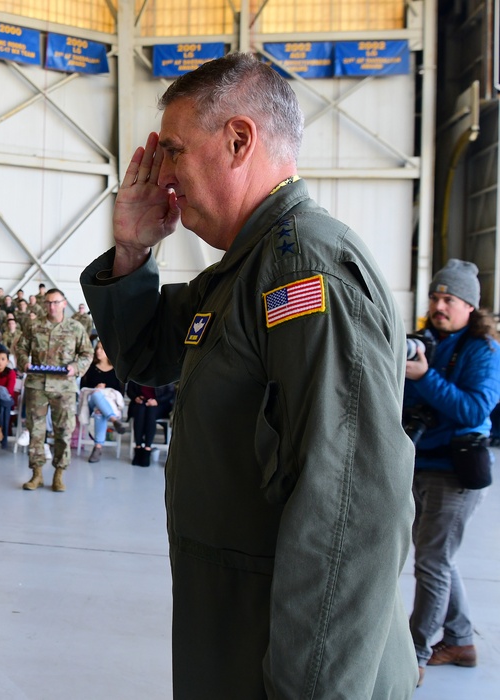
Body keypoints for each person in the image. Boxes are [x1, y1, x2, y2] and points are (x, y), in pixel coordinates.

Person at [79, 53, 416, 697]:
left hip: (289, 662)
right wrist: (131, 249)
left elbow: (350, 507)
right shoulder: (249, 269)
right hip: (236, 636)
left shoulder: (304, 271)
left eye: (175, 151)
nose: (166, 177)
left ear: (238, 141)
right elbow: (147, 354)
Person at [403, 259, 500, 686]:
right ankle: (460, 640)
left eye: (449, 299)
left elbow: (475, 409)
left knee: (433, 562)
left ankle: (415, 654)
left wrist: (424, 378)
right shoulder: (426, 342)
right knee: (437, 560)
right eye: (435, 297)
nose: (438, 306)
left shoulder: (483, 349)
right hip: (420, 462)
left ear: (469, 306)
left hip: (455, 473)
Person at [15, 288, 92, 492]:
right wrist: (24, 363)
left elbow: (87, 353)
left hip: (64, 388)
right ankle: (37, 474)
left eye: (56, 302)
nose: (51, 306)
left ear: (64, 303)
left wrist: (75, 368)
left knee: (63, 431)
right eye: (48, 302)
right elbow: (21, 348)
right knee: (36, 431)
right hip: (37, 385)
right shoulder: (34, 326)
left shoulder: (75, 328)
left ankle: (59, 474)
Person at [77, 341, 127, 463]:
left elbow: (120, 390)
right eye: (97, 348)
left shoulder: (116, 369)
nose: (98, 351)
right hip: (90, 401)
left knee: (99, 412)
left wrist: (106, 389)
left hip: (108, 402)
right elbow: (83, 387)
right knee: (96, 394)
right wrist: (96, 387)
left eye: (102, 349)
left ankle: (97, 447)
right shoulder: (90, 367)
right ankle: (114, 420)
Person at [125, 381, 174, 467]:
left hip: (160, 404)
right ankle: (138, 447)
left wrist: (157, 401)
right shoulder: (137, 371)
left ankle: (147, 448)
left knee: (151, 411)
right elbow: (130, 390)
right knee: (140, 411)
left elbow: (170, 392)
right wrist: (136, 397)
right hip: (140, 402)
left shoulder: (165, 372)